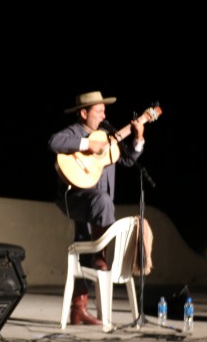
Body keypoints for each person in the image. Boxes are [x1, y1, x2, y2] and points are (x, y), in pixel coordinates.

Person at [49, 91, 146, 325]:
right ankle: (100, 256)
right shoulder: (76, 131)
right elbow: (54, 142)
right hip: (77, 197)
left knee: (83, 240)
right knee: (102, 201)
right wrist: (87, 144)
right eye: (99, 110)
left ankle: (78, 309)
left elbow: (127, 160)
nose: (104, 114)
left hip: (96, 203)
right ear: (84, 113)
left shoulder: (108, 136)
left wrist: (138, 138)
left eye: (104, 110)